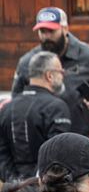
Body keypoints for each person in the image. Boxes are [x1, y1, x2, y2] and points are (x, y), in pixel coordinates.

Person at [13, 8, 89, 126]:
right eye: (42, 31)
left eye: (51, 31)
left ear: (65, 29)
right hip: (42, 141)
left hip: (83, 140)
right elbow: (16, 106)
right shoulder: (27, 63)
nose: (47, 36)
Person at [0, 51, 73, 182]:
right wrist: (35, 183)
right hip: (44, 190)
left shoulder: (6, 108)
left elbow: (2, 154)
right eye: (61, 72)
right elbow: (57, 154)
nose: (63, 76)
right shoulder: (56, 107)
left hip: (11, 191)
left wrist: (14, 183)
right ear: (49, 75)